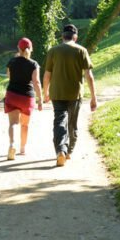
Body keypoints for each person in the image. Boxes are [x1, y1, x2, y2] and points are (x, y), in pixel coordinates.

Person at [43, 24, 97, 167]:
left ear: (62, 36)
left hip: (57, 93)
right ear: (75, 37)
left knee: (59, 121)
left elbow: (47, 75)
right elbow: (89, 76)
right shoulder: (82, 51)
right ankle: (68, 153)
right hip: (75, 94)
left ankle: (60, 149)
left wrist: (45, 93)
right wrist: (93, 97)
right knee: (72, 124)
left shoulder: (53, 51)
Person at [4, 37, 43, 160]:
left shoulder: (12, 61)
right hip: (27, 97)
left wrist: (16, 59)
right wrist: (40, 99)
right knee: (24, 125)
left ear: (18, 48)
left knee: (13, 123)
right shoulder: (33, 64)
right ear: (31, 49)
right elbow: (36, 82)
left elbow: (9, 77)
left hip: (12, 94)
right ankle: (22, 148)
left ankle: (12, 145)